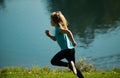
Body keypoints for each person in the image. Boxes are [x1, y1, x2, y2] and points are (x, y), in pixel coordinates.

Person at [45, 11, 84, 78]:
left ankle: (68, 64)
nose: (50, 21)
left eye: (51, 20)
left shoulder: (58, 29)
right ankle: (72, 66)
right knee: (74, 68)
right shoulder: (60, 28)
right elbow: (55, 39)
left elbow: (68, 32)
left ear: (55, 21)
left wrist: (73, 41)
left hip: (66, 51)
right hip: (71, 50)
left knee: (53, 61)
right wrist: (49, 35)